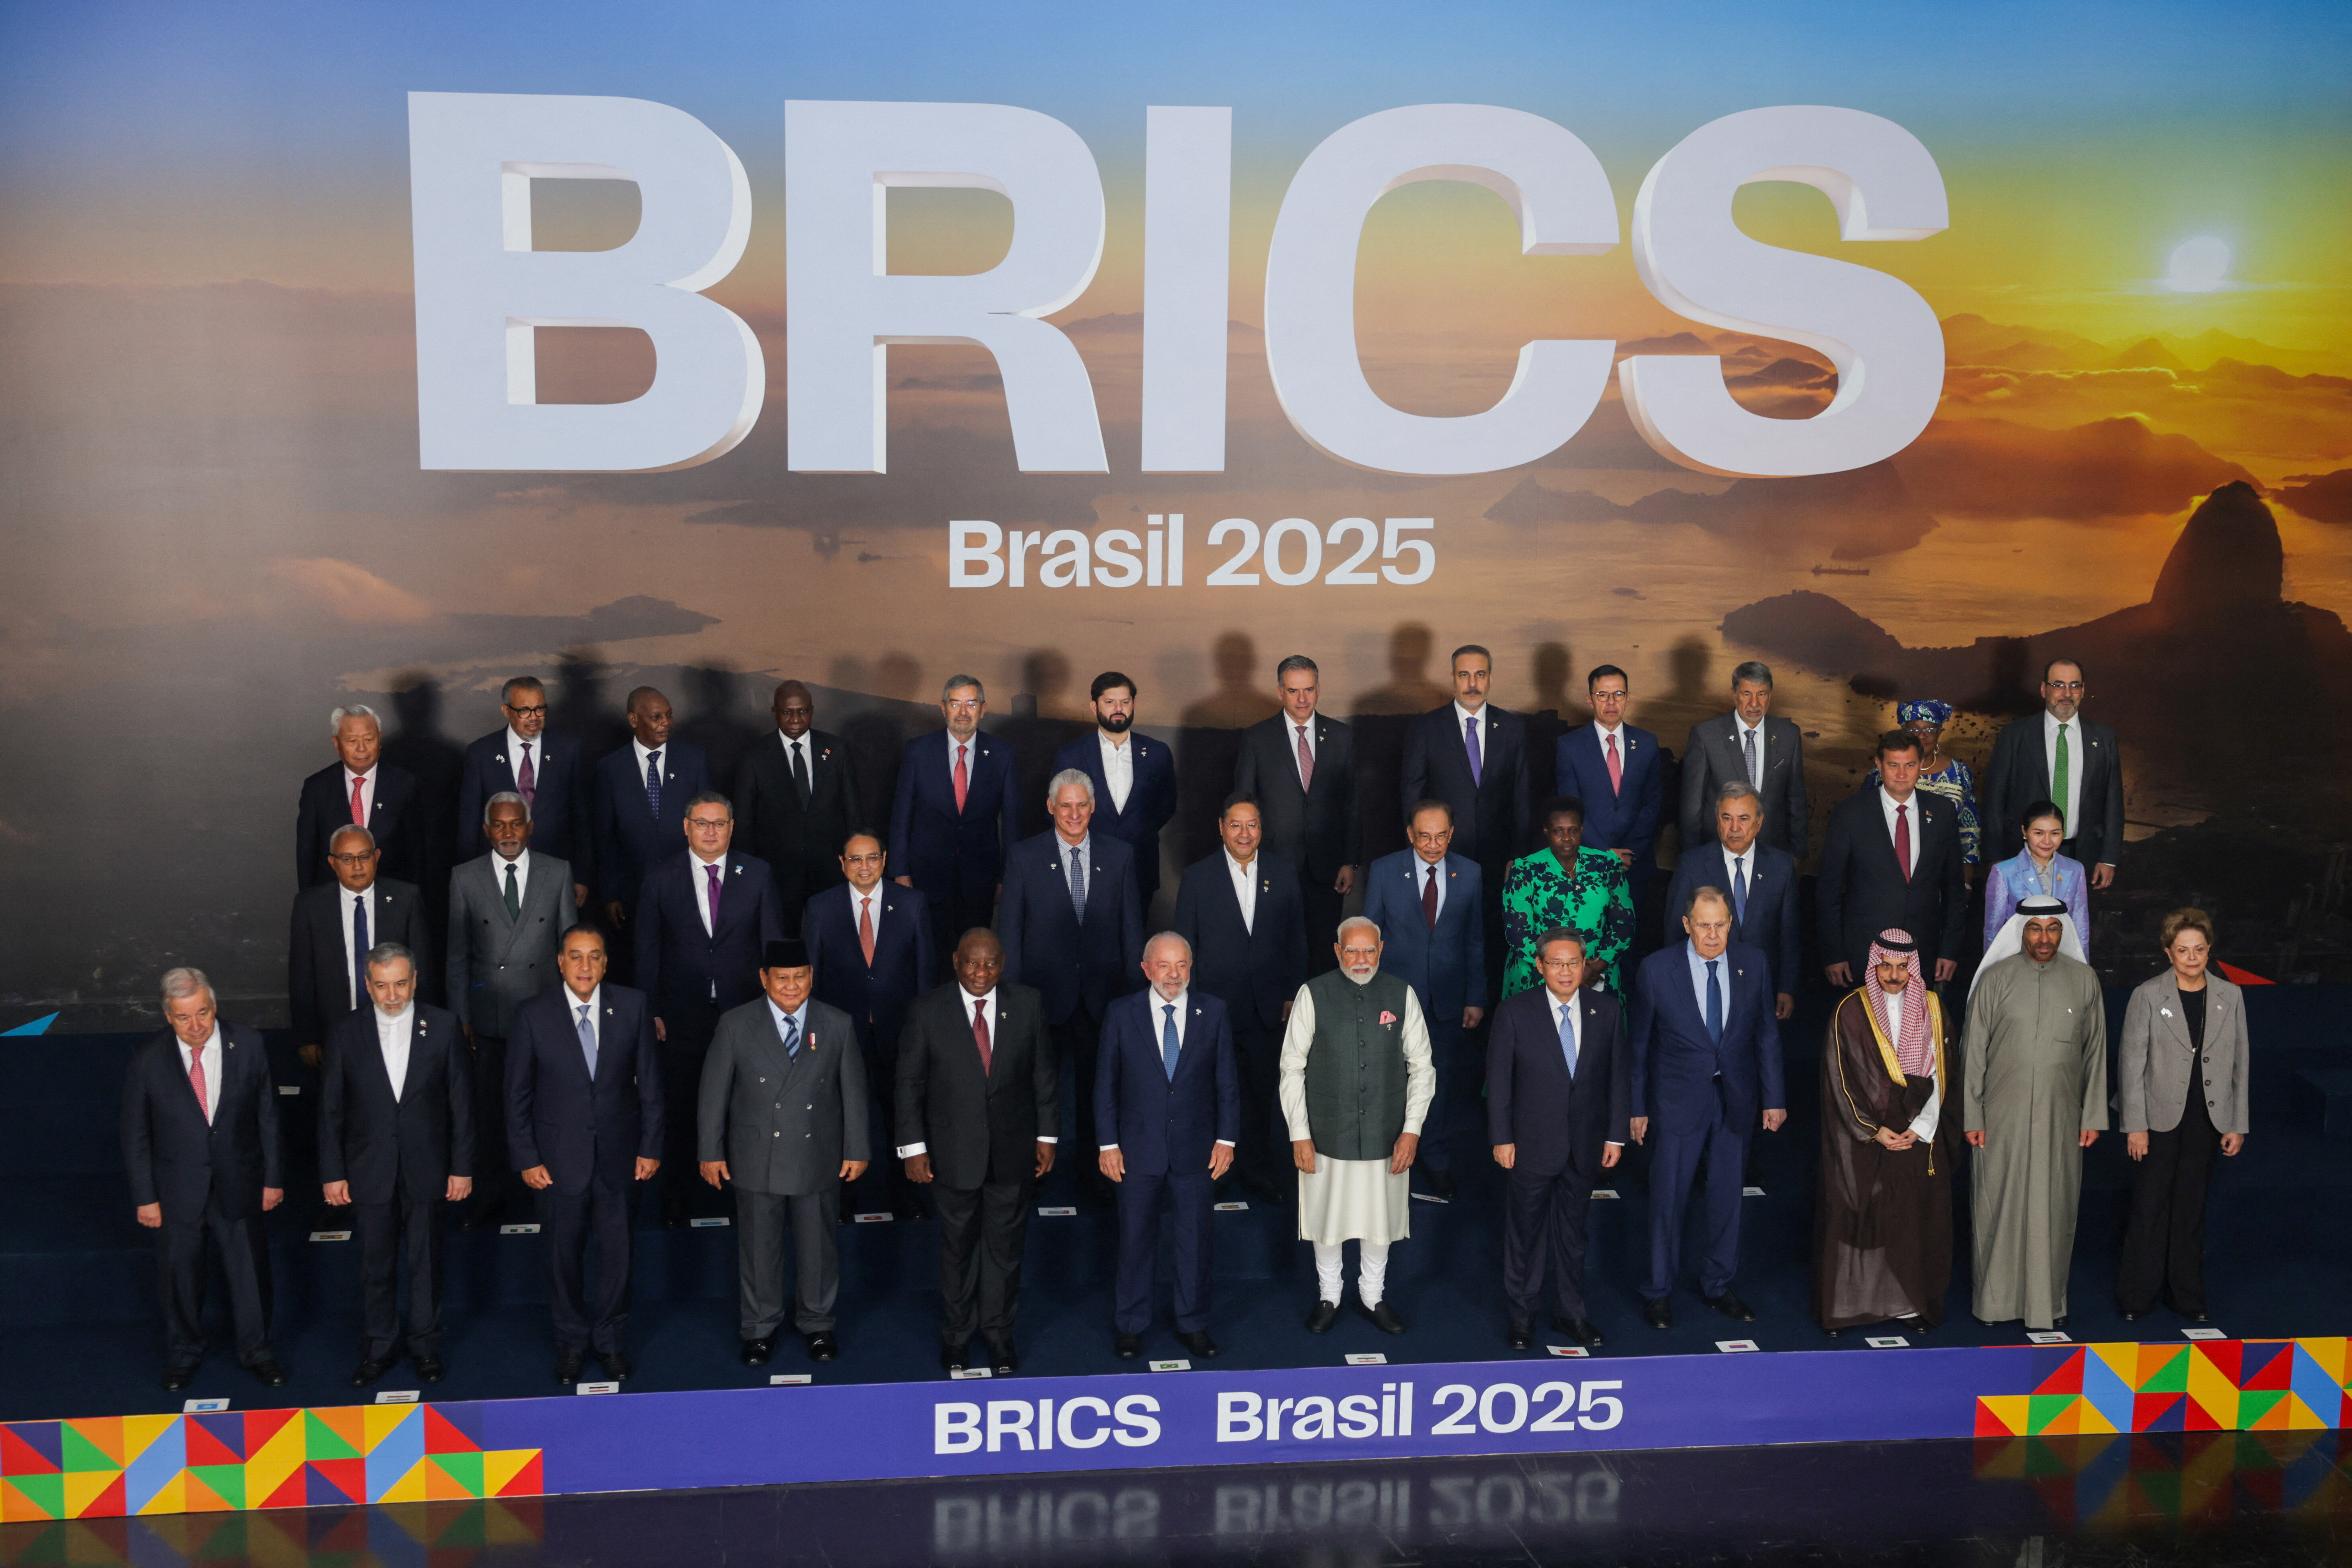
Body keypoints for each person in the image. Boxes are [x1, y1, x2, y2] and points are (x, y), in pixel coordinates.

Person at [699, 938, 869, 1366]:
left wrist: (858, 1148)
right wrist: (710, 1151)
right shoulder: (736, 1025)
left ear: (811, 977)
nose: (791, 986)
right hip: (755, 1153)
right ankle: (759, 1329)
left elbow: (853, 1093)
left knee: (818, 1248)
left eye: (799, 977)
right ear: (764, 979)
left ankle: (817, 1324)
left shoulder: (837, 1024)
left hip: (819, 1152)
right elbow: (713, 1094)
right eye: (782, 978)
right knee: (758, 1248)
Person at [505, 924, 663, 1384]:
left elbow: (651, 1087)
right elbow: (517, 1095)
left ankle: (610, 1342)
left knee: (618, 1258)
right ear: (560, 962)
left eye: (594, 956)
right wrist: (527, 1158)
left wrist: (651, 1147)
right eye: (576, 956)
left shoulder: (632, 1006)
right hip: (556, 1165)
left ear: (606, 962)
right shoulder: (533, 1015)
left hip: (620, 1158)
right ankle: (572, 1343)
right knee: (562, 1259)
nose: (585, 966)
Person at [896, 929, 1057, 1375]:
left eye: (989, 964)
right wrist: (913, 1148)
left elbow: (1043, 1075)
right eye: (971, 963)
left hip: (1013, 1153)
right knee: (957, 1253)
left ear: (1002, 964)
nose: (980, 972)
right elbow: (909, 1085)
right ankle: (957, 1339)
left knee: (1005, 1253)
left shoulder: (1027, 1004)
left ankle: (999, 1337)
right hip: (950, 1156)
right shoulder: (927, 1011)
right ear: (955, 961)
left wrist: (1046, 1138)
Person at [121, 968, 286, 1391]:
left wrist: (273, 1179)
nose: (195, 1026)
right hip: (176, 1190)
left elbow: (268, 1117)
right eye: (183, 1018)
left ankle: (258, 1352)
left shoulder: (248, 1044)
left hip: (241, 1182)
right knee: (180, 1277)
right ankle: (183, 1354)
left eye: (203, 1013)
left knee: (250, 1274)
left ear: (215, 1006)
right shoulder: (148, 1058)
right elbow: (136, 1133)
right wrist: (145, 1197)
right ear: (166, 1015)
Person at [1628, 887, 1786, 1329]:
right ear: (1686, 925)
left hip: (1734, 1099)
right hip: (1675, 1101)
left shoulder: (1752, 963)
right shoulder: (1656, 970)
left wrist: (1774, 1099)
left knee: (1726, 1199)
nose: (1712, 934)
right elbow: (1637, 1047)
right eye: (1703, 925)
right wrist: (1636, 1107)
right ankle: (1658, 1291)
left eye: (1719, 925)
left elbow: (1766, 1037)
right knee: (1667, 1200)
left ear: (1730, 924)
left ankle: (1718, 1284)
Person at [319, 943, 474, 1387]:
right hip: (369, 1169)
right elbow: (331, 1110)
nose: (392, 995)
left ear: (416, 980)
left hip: (428, 1166)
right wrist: (333, 1172)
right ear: (367, 985)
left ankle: (425, 1347)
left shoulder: (443, 1027)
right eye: (382, 986)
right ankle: (379, 1348)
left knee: (426, 1264)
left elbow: (461, 1105)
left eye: (401, 984)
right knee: (375, 1265)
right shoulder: (346, 1032)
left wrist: (462, 1167)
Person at [634, 791, 785, 1224]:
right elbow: (647, 948)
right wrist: (652, 1010)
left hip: (745, 1014)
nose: (710, 831)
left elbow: (771, 945)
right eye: (702, 823)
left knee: (746, 1106)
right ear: (686, 827)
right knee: (682, 1107)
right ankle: (677, 1195)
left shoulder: (757, 874)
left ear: (731, 828)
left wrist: (773, 1010)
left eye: (719, 823)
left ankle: (744, 1193)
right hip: (681, 1015)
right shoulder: (660, 877)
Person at [1280, 917, 1437, 1335]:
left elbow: (1422, 1067)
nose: (1361, 959)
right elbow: (1291, 1068)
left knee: (1379, 1220)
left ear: (1381, 949)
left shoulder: (1401, 994)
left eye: (1369, 950)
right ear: (1337, 951)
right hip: (1326, 1133)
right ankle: (1328, 1295)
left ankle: (1372, 1296)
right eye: (1352, 950)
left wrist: (1412, 1129)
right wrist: (1299, 1133)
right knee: (1326, 1219)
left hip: (1388, 1132)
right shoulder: (1312, 994)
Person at [998, 769, 1144, 1198]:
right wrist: (1011, 999)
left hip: (1103, 998)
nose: (1074, 814)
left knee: (1097, 1091)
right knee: (1035, 1090)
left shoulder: (1119, 856)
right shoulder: (1024, 857)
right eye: (1066, 805)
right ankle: (1034, 1177)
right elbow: (1010, 934)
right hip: (1039, 999)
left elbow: (1131, 931)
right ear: (1050, 808)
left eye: (1082, 805)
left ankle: (1092, 1180)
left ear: (1093, 807)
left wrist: (1134, 997)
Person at [1963, 895, 2105, 1331]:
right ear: (2019, 931)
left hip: (2062, 1116)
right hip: (1998, 1116)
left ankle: (2047, 1305)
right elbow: (1972, 1056)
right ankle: (1994, 1304)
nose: (2044, 938)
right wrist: (1972, 1116)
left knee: (2053, 1207)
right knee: (1997, 1206)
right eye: (2034, 928)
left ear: (2062, 932)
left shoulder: (2083, 981)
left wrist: (2092, 1116)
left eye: (2052, 929)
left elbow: (2095, 1053)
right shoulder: (1994, 979)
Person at [1096, 932, 1239, 1360]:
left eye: (1181, 966)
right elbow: (1106, 1084)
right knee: (1135, 1240)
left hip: (1197, 1150)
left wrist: (1226, 1139)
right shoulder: (1121, 1013)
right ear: (1146, 969)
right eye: (1164, 966)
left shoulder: (1213, 1012)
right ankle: (1130, 1325)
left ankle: (1192, 1323)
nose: (1173, 975)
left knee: (1194, 1242)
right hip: (1137, 1150)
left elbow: (1226, 1082)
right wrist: (1108, 1144)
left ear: (1190, 969)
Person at [1487, 930, 1626, 1350]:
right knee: (1525, 1235)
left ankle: (1570, 1314)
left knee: (1573, 1236)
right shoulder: (1514, 1011)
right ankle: (1522, 1318)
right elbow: (1498, 1083)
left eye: (1573, 963)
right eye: (1557, 964)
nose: (1565, 972)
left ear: (1584, 966)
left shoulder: (1607, 1009)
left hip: (1584, 1144)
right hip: (1529, 1144)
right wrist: (1501, 1137)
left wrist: (1616, 1136)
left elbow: (1618, 1077)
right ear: (1540, 966)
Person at [1814, 931, 1957, 1336]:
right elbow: (1837, 1076)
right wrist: (1872, 1131)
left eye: (1901, 967)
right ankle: (1849, 1307)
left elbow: (1942, 1074)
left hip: (1914, 1134)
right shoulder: (1850, 1009)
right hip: (1862, 1134)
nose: (1893, 976)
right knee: (1857, 1212)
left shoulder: (1931, 1007)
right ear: (1873, 964)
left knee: (1908, 1218)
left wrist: (1920, 1128)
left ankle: (1905, 1303)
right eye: (1885, 966)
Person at [446, 791, 578, 1228]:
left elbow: (570, 951)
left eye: (515, 824)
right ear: (486, 831)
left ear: (530, 827)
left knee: (548, 1107)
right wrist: (461, 1015)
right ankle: (490, 1197)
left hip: (543, 1013)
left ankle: (551, 1192)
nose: (508, 833)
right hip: (489, 1014)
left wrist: (571, 1011)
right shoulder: (464, 878)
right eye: (499, 826)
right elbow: (458, 956)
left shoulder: (557, 872)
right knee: (490, 1112)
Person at [1172, 794, 1308, 1205]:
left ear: (1261, 830)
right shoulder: (1197, 878)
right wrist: (1190, 1004)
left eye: (1251, 826)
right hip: (1214, 1006)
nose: (1244, 834)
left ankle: (1258, 1171)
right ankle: (1216, 1173)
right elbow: (1184, 945)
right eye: (1235, 825)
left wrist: (1291, 995)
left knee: (1259, 1093)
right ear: (1220, 828)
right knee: (1213, 1092)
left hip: (1268, 1006)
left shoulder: (1283, 875)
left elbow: (1296, 939)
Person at [2116, 908, 2249, 1323]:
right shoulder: (2147, 995)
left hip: (2206, 1120)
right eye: (2181, 951)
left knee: (2190, 1208)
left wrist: (2235, 1123)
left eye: (2198, 950)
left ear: (2209, 950)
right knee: (2149, 1207)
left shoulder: (2231, 996)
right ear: (2167, 952)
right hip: (2156, 1120)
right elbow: (2130, 1063)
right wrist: (2134, 1125)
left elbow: (2240, 1063)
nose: (2190, 958)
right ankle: (2136, 1297)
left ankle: (2186, 1297)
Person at [803, 832, 934, 1221]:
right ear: (842, 864)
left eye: (872, 858)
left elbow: (925, 973)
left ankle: (907, 1196)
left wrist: (923, 1032)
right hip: (843, 1035)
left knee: (903, 1111)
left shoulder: (911, 903)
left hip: (901, 1032)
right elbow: (811, 975)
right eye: (855, 859)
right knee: (842, 1115)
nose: (864, 866)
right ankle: (844, 1198)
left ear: (884, 860)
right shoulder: (820, 907)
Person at [1361, 800, 1487, 1199]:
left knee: (1439, 1083)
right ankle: (1383, 1163)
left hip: (1447, 1000)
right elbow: (1368, 940)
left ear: (1451, 833)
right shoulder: (1383, 870)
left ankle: (1434, 1161)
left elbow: (1473, 939)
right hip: (1392, 998)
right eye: (1423, 836)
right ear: (1410, 834)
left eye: (1440, 836)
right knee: (1387, 1082)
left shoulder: (1470, 872)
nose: (1432, 845)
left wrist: (1475, 996)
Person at [1233, 655, 1361, 976]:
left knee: (1323, 951)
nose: (1302, 699)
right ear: (1280, 692)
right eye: (1293, 691)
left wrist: (1351, 860)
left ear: (1319, 690)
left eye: (1308, 690)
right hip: (1274, 864)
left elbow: (1352, 804)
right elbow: (1244, 806)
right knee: (1275, 947)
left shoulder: (1342, 737)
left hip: (1328, 867)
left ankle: (1319, 1021)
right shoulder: (1256, 739)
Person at [889, 675, 1023, 971]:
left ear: (983, 709)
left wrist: (1006, 877)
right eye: (956, 704)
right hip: (925, 879)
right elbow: (901, 816)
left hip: (981, 881)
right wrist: (900, 873)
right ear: (943, 707)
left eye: (971, 704)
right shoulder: (918, 752)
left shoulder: (1003, 755)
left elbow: (1013, 822)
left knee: (976, 960)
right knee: (928, 958)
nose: (963, 712)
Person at [1816, 730, 1967, 988]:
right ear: (1879, 764)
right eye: (1893, 765)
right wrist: (1834, 954)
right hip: (1863, 955)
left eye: (1909, 765)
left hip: (1924, 953)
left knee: (1919, 1027)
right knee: (1865, 1028)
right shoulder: (1850, 814)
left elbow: (1954, 887)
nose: (1901, 774)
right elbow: (1827, 891)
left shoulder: (1942, 811)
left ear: (1921, 765)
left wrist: (1950, 949)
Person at [290, 824, 433, 1067]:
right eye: (347, 859)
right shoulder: (310, 906)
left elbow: (423, 971)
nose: (357, 866)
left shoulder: (405, 899)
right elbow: (302, 976)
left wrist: (424, 1029)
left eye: (364, 857)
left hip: (398, 1027)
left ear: (376, 857)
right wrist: (307, 1037)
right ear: (332, 862)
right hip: (335, 1031)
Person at [1400, 643, 1530, 903]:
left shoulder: (1512, 728)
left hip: (1499, 861)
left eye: (1480, 674)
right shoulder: (1426, 729)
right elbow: (1412, 797)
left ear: (1491, 678)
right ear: (1453, 678)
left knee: (1494, 935)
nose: (1473, 683)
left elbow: (1521, 795)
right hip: (1442, 856)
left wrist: (1519, 856)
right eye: (1464, 675)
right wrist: (1416, 854)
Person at [1980, 658, 2124, 891]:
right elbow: (1995, 800)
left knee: (2075, 924)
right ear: (2044, 689)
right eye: (2058, 685)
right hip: (2021, 855)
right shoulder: (2015, 735)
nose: (2067, 693)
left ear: (2083, 691)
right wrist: (1995, 858)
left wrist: (2109, 858)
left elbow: (2114, 801)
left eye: (2074, 686)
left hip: (2083, 855)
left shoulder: (2103, 737)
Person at [736, 680, 867, 937]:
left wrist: (854, 863)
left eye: (803, 711)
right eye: (788, 712)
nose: (796, 719)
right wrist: (748, 874)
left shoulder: (836, 750)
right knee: (785, 947)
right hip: (779, 875)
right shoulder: (755, 756)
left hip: (831, 871)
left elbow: (854, 814)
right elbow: (744, 823)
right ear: (775, 713)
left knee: (835, 941)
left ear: (812, 711)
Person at [589, 686, 714, 952]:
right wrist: (611, 894)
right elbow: (604, 837)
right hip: (634, 891)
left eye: (669, 715)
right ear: (634, 720)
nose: (666, 723)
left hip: (687, 888)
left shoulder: (693, 760)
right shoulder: (610, 769)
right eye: (657, 717)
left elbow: (708, 827)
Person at [1663, 782, 1798, 1019]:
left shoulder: (1782, 866)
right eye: (1727, 818)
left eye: (1744, 818)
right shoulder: (1691, 865)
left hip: (1763, 987)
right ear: (1717, 820)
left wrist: (1786, 988)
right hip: (1706, 984)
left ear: (1759, 822)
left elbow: (1790, 934)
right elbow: (1675, 932)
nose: (1734, 828)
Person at [1051, 671, 1179, 914]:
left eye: (1125, 702)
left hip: (1140, 867)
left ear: (1133, 704)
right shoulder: (1071, 755)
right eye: (1110, 702)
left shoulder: (1157, 753)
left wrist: (1137, 831)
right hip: (1085, 868)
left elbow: (1167, 806)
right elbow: (1056, 812)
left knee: (1135, 943)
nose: (1118, 708)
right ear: (1094, 706)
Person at [456, 677, 589, 907]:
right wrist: (471, 878)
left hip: (555, 870)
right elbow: (470, 824)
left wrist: (583, 876)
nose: (534, 718)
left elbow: (582, 818)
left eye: (540, 709)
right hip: (496, 873)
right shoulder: (481, 753)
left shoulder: (568, 750)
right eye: (525, 711)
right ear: (506, 711)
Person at [1555, 666, 1662, 933]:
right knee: (1588, 946)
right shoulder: (1569, 746)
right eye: (1603, 695)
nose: (1611, 702)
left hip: (1635, 867)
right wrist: (1605, 855)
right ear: (1590, 699)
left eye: (1618, 694)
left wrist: (1628, 854)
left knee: (1630, 950)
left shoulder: (1647, 743)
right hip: (1587, 865)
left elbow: (1652, 804)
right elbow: (1570, 808)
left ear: (1627, 697)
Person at [1500, 797, 1635, 996]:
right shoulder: (1525, 870)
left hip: (1597, 974)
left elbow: (1624, 923)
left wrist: (1594, 968)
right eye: (1558, 831)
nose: (1567, 838)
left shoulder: (1606, 865)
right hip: (1538, 975)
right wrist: (1565, 970)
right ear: (1546, 831)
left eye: (1573, 830)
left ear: (1582, 830)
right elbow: (1517, 933)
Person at [1679, 661, 1809, 860]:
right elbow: (1692, 806)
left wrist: (1798, 853)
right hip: (1717, 851)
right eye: (1747, 694)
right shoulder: (1706, 735)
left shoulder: (1789, 734)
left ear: (1770, 695)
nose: (1755, 704)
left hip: (1772, 851)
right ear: (1734, 694)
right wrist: (1691, 859)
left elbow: (1796, 799)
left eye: (1762, 694)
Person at [297, 704, 422, 888]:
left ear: (379, 739)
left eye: (369, 739)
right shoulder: (317, 788)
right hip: (334, 899)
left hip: (392, 897)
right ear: (337, 744)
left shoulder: (405, 785)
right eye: (353, 741)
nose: (362, 749)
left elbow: (418, 855)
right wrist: (311, 906)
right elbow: (307, 857)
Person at [1862, 700, 1980, 874]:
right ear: (1903, 731)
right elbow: (1864, 828)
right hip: (1886, 871)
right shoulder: (1879, 774)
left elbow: (1969, 831)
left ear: (1940, 733)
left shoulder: (1959, 772)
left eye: (1930, 730)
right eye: (1913, 730)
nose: (1922, 736)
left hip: (1943, 872)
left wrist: (1966, 885)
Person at [1982, 800, 2089, 955]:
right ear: (2025, 832)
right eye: (2039, 833)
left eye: (2055, 833)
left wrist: (2081, 968)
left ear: (2063, 833)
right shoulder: (2004, 872)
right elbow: (1993, 929)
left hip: (2062, 958)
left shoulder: (2075, 869)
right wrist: (1992, 973)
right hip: (2017, 959)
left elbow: (2081, 927)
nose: (2047, 841)